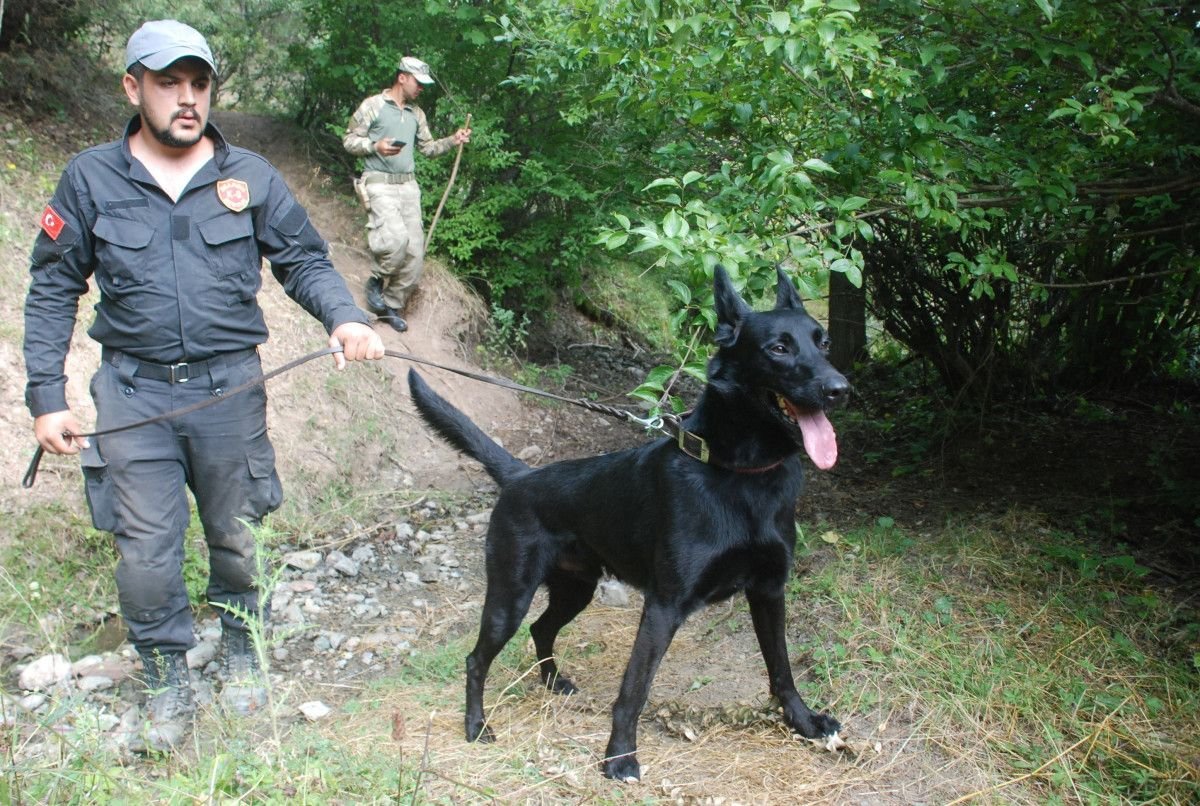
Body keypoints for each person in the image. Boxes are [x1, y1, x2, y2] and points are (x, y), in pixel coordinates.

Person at [22, 19, 386, 753]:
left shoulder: (249, 176)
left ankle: (243, 651)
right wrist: (47, 397)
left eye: (199, 84)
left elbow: (304, 261)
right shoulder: (90, 178)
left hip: (229, 391)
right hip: (133, 397)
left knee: (237, 533)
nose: (187, 99)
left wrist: (344, 318)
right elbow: (53, 288)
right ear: (134, 87)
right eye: (168, 83)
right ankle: (165, 678)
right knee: (146, 551)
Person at [343, 56, 471, 333]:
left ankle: (390, 305)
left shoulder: (417, 114)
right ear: (402, 78)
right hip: (378, 183)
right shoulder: (373, 106)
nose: (421, 88)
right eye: (418, 82)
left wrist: (453, 140)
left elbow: (428, 149)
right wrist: (375, 146)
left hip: (408, 187)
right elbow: (349, 140)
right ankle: (377, 279)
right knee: (396, 240)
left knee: (415, 254)